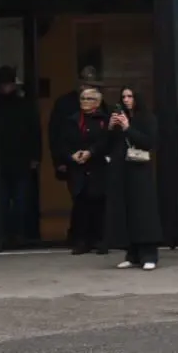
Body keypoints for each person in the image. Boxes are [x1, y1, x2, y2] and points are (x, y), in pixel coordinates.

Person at [104, 87, 162, 270]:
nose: (127, 100)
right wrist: (111, 128)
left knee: (143, 211)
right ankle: (132, 253)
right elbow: (107, 144)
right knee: (125, 209)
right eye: (123, 97)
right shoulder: (119, 117)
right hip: (122, 169)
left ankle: (149, 253)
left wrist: (128, 128)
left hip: (140, 169)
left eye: (130, 96)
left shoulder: (146, 118)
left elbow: (148, 142)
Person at [0, 65, 40, 247]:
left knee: (20, 200)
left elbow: (34, 131)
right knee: (3, 201)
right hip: (2, 160)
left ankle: (18, 233)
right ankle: (5, 234)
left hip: (20, 159)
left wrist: (35, 156)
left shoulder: (23, 105)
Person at [64, 85, 111, 255]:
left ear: (98, 102)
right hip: (78, 167)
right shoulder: (72, 120)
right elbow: (64, 142)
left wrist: (91, 152)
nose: (85, 101)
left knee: (98, 204)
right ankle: (81, 241)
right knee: (80, 204)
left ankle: (100, 240)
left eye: (89, 98)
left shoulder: (104, 121)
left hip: (98, 166)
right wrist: (71, 155)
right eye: (83, 98)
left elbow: (107, 141)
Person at [49, 65, 101, 190]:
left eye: (93, 86)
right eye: (86, 85)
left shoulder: (100, 104)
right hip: (72, 159)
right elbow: (55, 134)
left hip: (95, 160)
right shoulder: (65, 104)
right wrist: (59, 161)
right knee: (79, 198)